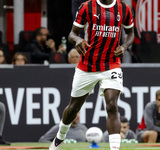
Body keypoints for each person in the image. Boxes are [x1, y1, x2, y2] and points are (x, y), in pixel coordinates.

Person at [49, 0, 134, 149]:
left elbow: (130, 33)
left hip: (111, 65)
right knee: (73, 108)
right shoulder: (87, 7)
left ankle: (115, 148)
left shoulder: (124, 8)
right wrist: (78, 39)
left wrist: (125, 46)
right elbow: (72, 34)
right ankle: (59, 138)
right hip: (87, 66)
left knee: (112, 105)